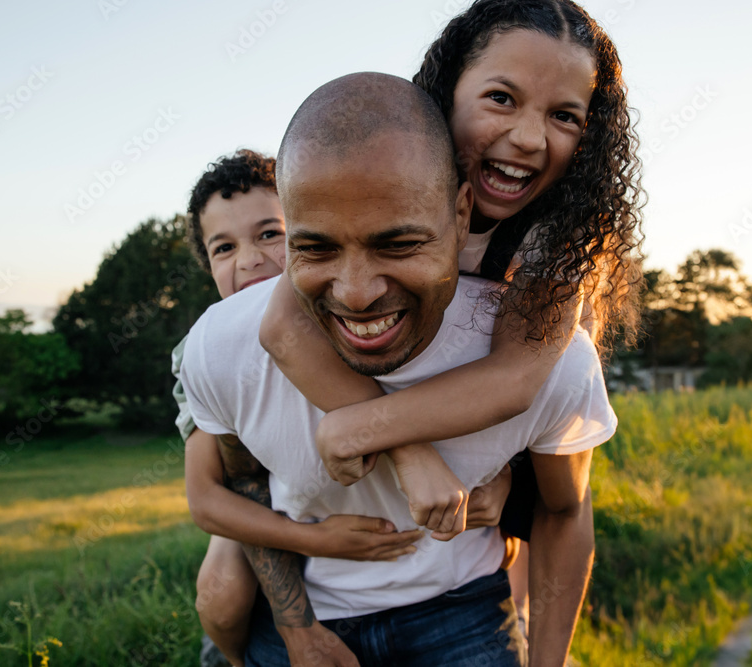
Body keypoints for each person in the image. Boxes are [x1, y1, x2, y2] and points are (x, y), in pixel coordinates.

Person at [181, 72, 618, 666]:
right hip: (311, 611)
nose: (357, 294)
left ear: (463, 212)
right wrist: (298, 630)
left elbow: (564, 510)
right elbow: (244, 484)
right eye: (317, 248)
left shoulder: (550, 358)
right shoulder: (222, 348)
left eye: (398, 244)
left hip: (460, 608)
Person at [257, 0, 643, 636]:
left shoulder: (557, 239)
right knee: (223, 587)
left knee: (536, 515)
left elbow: (516, 380)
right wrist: (404, 449)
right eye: (501, 97)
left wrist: (358, 430)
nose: (527, 136)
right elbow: (284, 326)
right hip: (363, 516)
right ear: (444, 93)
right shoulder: (386, 172)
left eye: (564, 116)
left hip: (507, 468)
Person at [173, 150, 511, 666]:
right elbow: (216, 493)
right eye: (224, 247)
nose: (249, 260)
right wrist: (315, 542)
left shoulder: (375, 314)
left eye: (270, 235)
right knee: (221, 592)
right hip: (280, 520)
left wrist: (502, 473)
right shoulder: (210, 353)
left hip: (443, 575)